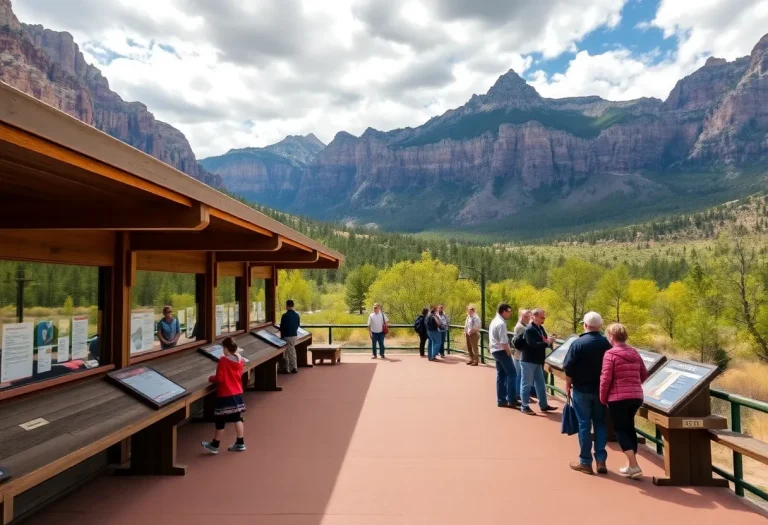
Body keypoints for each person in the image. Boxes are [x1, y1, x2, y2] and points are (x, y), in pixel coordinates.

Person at [563, 311, 612, 475]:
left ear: (585, 325)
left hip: (581, 389)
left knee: (584, 424)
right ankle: (601, 461)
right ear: (600, 325)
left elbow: (568, 366)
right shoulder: (607, 343)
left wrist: (568, 383)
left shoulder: (578, 343)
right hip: (601, 391)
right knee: (600, 423)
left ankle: (585, 462)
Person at [600, 323, 648, 479]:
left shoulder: (610, 354)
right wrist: (634, 384)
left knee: (620, 429)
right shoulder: (634, 352)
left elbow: (605, 378)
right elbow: (644, 373)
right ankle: (630, 465)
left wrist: (603, 397)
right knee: (629, 428)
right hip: (636, 396)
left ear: (612, 336)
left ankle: (634, 465)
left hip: (618, 397)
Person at [202, 337, 246, 454]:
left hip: (225, 393)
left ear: (226, 349)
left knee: (220, 419)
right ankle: (240, 442)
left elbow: (220, 379)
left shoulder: (223, 361)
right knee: (237, 418)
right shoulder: (240, 360)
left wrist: (211, 378)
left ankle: (215, 444)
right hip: (237, 392)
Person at [521, 309, 558, 414]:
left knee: (541, 383)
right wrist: (546, 343)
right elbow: (532, 345)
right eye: (542, 317)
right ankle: (524, 406)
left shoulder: (540, 328)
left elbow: (543, 341)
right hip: (528, 361)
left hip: (538, 360)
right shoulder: (529, 329)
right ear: (534, 317)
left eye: (544, 317)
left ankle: (543, 404)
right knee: (526, 384)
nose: (543, 319)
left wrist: (548, 340)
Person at [489, 303, 518, 408]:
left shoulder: (494, 321)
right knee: (512, 374)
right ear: (504, 311)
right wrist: (508, 352)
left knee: (501, 375)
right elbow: (504, 342)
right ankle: (511, 399)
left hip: (495, 350)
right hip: (501, 351)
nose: (510, 314)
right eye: (509, 311)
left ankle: (501, 400)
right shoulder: (501, 323)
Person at [513, 309, 531, 400]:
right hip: (520, 355)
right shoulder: (521, 327)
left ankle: (519, 394)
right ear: (521, 317)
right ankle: (517, 394)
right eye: (525, 316)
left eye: (529, 316)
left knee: (521, 376)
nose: (528, 318)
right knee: (519, 376)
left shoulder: (525, 326)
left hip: (521, 355)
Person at [279, 299, 300, 374]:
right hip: (294, 335)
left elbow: (282, 327)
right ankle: (289, 367)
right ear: (293, 305)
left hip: (286, 335)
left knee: (289, 352)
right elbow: (298, 325)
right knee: (290, 351)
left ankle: (292, 367)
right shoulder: (296, 315)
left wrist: (282, 336)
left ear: (287, 306)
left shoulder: (285, 316)